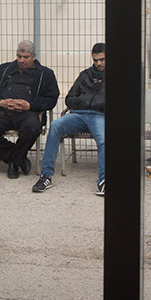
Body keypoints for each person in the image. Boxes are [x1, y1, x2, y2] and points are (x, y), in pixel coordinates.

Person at [0, 40, 59, 179]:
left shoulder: (45, 74)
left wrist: (31, 105)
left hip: (28, 112)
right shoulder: (5, 69)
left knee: (33, 128)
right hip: (3, 111)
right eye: (19, 56)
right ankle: (18, 158)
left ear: (34, 57)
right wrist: (0, 101)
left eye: (25, 57)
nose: (21, 60)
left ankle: (13, 163)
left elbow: (51, 98)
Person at [32, 43, 106, 195]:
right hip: (78, 115)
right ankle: (45, 175)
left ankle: (104, 180)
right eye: (96, 60)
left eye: (102, 60)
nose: (98, 63)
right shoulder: (84, 75)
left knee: (103, 139)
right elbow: (70, 98)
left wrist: (94, 103)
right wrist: (85, 102)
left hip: (99, 116)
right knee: (56, 125)